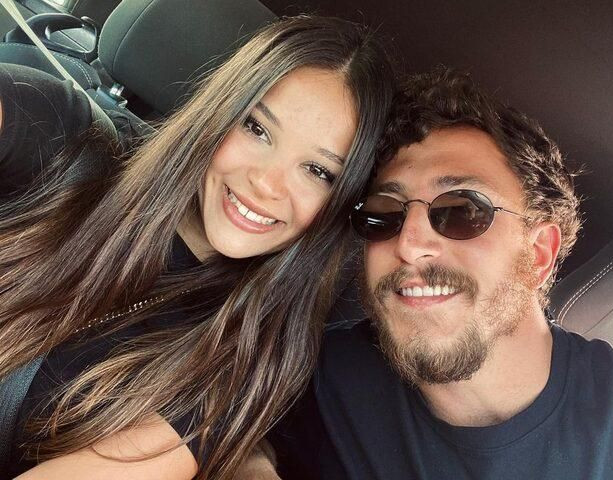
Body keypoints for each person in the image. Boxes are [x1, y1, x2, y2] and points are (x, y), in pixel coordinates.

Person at [0, 15, 395, 480]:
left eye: (318, 172)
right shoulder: (67, 141)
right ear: (221, 111)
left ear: (339, 205)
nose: (266, 183)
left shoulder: (235, 368)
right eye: (257, 129)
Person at [270, 67, 613, 479]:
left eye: (462, 210)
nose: (408, 245)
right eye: (384, 214)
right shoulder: (318, 374)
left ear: (538, 253)